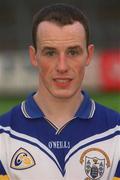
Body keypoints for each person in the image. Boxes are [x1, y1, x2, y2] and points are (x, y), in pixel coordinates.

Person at [0, 3, 120, 180]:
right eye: (50, 53)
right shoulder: (4, 135)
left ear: (89, 55)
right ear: (34, 56)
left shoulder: (116, 132)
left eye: (73, 52)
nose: (62, 66)